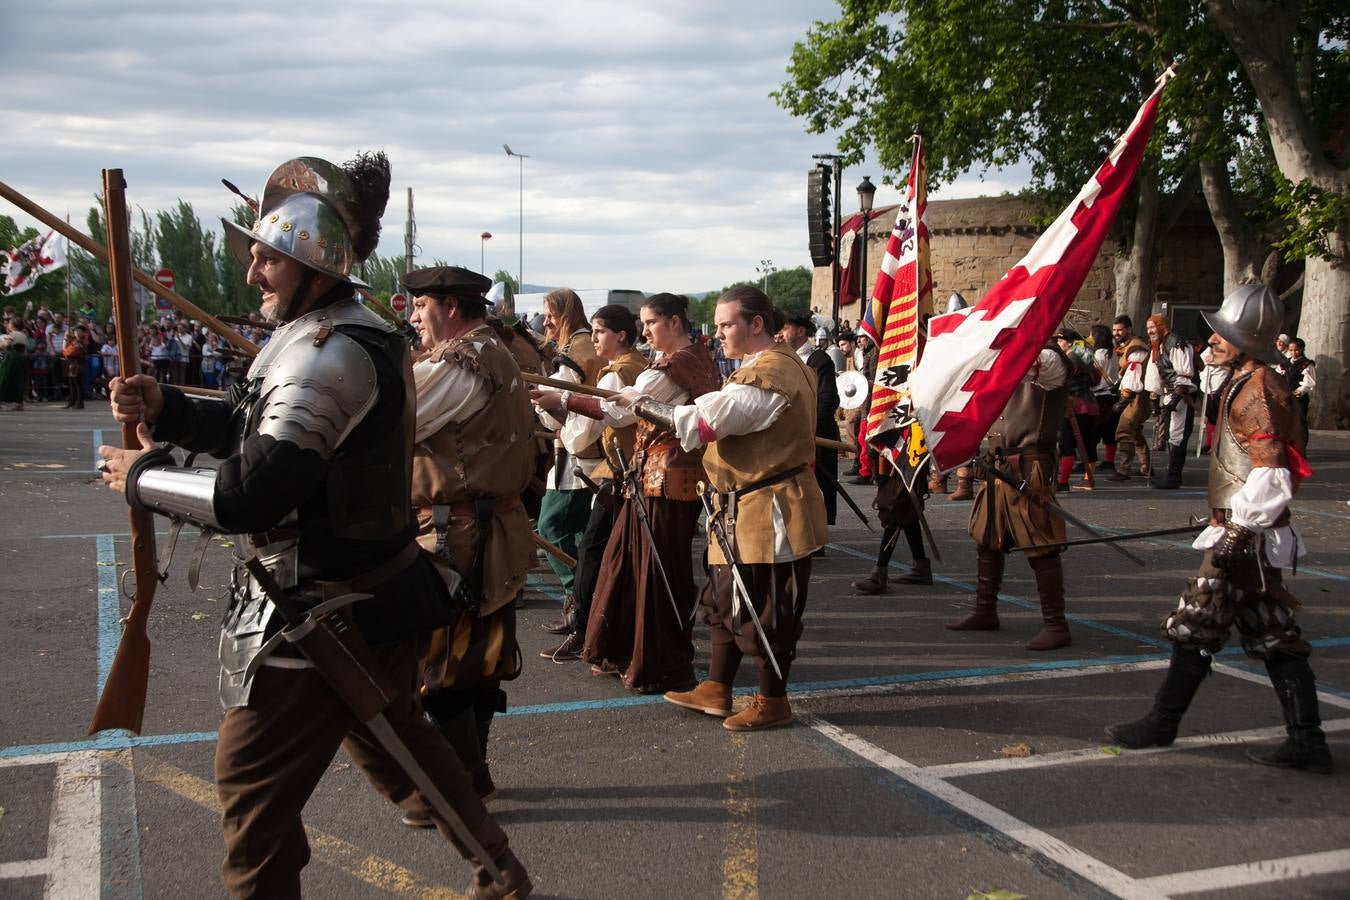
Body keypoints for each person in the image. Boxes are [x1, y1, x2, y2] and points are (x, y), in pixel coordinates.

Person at [96, 153, 528, 898]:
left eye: (268, 258)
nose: (253, 273)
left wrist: (141, 477)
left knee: (252, 793)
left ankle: (499, 870)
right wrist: (167, 407)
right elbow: (251, 428)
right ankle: (500, 871)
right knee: (401, 749)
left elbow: (251, 496)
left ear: (314, 260)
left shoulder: (333, 353)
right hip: (360, 592)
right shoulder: (324, 335)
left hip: (324, 605)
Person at [1107, 284, 1331, 774]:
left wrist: (1239, 530)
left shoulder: (1259, 390)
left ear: (1246, 341)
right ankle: (1306, 739)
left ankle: (1164, 723)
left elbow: (1272, 473)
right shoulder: (1247, 382)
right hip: (1242, 533)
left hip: (1246, 539)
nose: (1211, 342)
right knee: (1271, 633)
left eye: (1222, 336)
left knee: (1197, 623)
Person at [636, 286, 829, 731]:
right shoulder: (757, 368)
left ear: (755, 324)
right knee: (723, 600)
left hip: (770, 507)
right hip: (739, 506)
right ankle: (716, 688)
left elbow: (708, 421)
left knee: (765, 608)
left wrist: (643, 405)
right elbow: (714, 410)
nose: (717, 333)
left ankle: (772, 700)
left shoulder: (773, 371)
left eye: (725, 325)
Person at [398, 265, 536, 823]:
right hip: (474, 528)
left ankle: (458, 786)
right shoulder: (482, 351)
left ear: (451, 307)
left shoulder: (465, 361)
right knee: (474, 656)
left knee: (447, 660)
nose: (413, 316)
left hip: (459, 536)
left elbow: (393, 422)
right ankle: (471, 778)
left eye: (420, 306)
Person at [578, 294, 721, 692]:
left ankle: (658, 662)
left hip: (664, 479)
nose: (644, 331)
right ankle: (626, 650)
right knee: (629, 561)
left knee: (656, 572)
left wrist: (566, 400)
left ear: (675, 322)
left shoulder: (673, 367)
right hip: (659, 478)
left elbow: (622, 411)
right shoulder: (697, 360)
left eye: (651, 323)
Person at [529, 304, 648, 660]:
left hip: (616, 473)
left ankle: (584, 625)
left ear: (620, 335)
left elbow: (589, 431)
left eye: (599, 331)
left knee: (592, 553)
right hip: (624, 471)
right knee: (603, 552)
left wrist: (557, 402)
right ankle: (594, 625)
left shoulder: (617, 374)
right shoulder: (636, 368)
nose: (593, 338)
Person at [946, 343, 1073, 651]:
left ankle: (1056, 624)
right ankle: (985, 610)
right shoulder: (1006, 357)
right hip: (999, 466)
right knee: (988, 537)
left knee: (1040, 542)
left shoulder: (1050, 359)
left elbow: (1017, 364)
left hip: (1031, 468)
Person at [534, 288, 605, 614]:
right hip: (580, 451)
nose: (547, 322)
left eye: (551, 315)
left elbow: (565, 404)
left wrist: (543, 403)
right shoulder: (579, 344)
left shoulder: (577, 349)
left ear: (566, 314)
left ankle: (579, 595)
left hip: (580, 456)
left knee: (550, 527)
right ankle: (585, 594)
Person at [779, 311, 840, 527]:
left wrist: (806, 427)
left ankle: (816, 535)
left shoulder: (819, 360)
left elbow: (828, 401)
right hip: (790, 438)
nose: (781, 333)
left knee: (817, 488)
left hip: (816, 435)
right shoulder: (783, 359)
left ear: (801, 331)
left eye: (786, 328)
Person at [1143, 314, 1197, 489]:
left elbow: (1184, 372)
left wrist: (1175, 398)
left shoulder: (1175, 342)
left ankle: (1174, 476)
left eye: (1152, 327)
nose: (1150, 331)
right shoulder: (1159, 345)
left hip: (1180, 395)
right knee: (1171, 434)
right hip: (1169, 394)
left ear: (1162, 326)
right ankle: (1171, 474)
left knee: (1177, 434)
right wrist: (1155, 398)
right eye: (1148, 328)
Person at [1053, 328, 1099, 491]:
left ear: (1070, 342)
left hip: (1074, 405)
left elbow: (1062, 380)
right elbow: (1095, 379)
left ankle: (1064, 481)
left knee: (1067, 443)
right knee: (1087, 443)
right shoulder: (1085, 355)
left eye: (1061, 340)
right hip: (1089, 404)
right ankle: (1089, 478)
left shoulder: (1071, 357)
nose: (1059, 343)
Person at [1107, 315, 1152, 482]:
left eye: (1120, 330)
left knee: (1124, 431)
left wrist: (1123, 398)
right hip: (1132, 396)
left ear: (1129, 330)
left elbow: (1133, 377)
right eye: (1114, 330)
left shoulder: (1136, 348)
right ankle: (1146, 467)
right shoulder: (1128, 346)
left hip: (1136, 397)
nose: (1116, 333)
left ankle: (1124, 470)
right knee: (1136, 433)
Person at [1089, 323, 1120, 473]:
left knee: (1093, 432)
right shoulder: (1113, 353)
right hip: (1111, 395)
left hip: (1099, 395)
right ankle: (1109, 461)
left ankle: (1090, 461)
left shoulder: (1097, 355)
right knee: (1109, 431)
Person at [1277, 337, 1315, 438]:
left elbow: (1309, 383)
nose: (1294, 353)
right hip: (1284, 398)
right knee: (1284, 423)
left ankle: (1300, 448)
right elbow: (1276, 378)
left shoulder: (1307, 364)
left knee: (1300, 423)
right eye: (1291, 350)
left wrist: (1296, 393)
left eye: (1296, 350)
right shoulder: (1284, 364)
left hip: (1299, 400)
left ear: (1302, 349)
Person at [0, 318, 31, 410]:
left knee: (3, 378)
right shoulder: (24, 335)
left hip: (12, 357)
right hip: (23, 358)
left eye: (9, 323)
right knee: (19, 381)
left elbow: (6, 344)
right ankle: (19, 404)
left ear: (13, 325)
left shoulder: (13, 334)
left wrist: (1, 344)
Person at [62, 329, 86, 409]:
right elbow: (65, 352)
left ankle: (80, 402)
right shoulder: (73, 342)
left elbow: (71, 352)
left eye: (78, 332)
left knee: (78, 384)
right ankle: (72, 401)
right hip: (71, 364)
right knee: (72, 385)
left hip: (77, 364)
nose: (76, 333)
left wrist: (66, 351)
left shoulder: (81, 342)